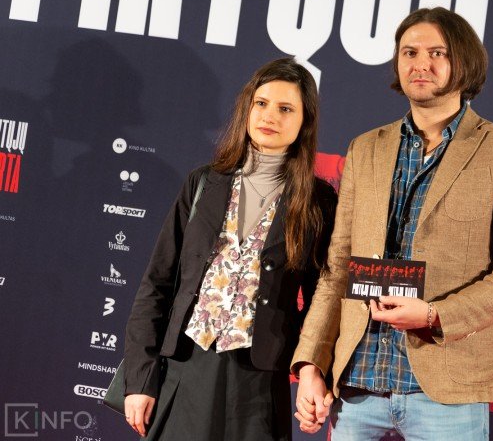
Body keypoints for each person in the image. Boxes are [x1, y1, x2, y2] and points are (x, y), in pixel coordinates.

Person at [292, 7, 493, 439]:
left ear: (464, 63)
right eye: (409, 52)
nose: (420, 63)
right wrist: (313, 363)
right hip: (357, 383)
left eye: (436, 53)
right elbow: (338, 268)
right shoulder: (366, 148)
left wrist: (434, 314)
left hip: (447, 391)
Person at [122, 58, 336, 439]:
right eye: (261, 103)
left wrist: (314, 371)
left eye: (285, 109)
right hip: (184, 368)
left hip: (258, 386)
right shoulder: (204, 183)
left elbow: (324, 299)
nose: (270, 116)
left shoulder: (317, 202)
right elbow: (157, 283)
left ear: (305, 122)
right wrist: (140, 379)